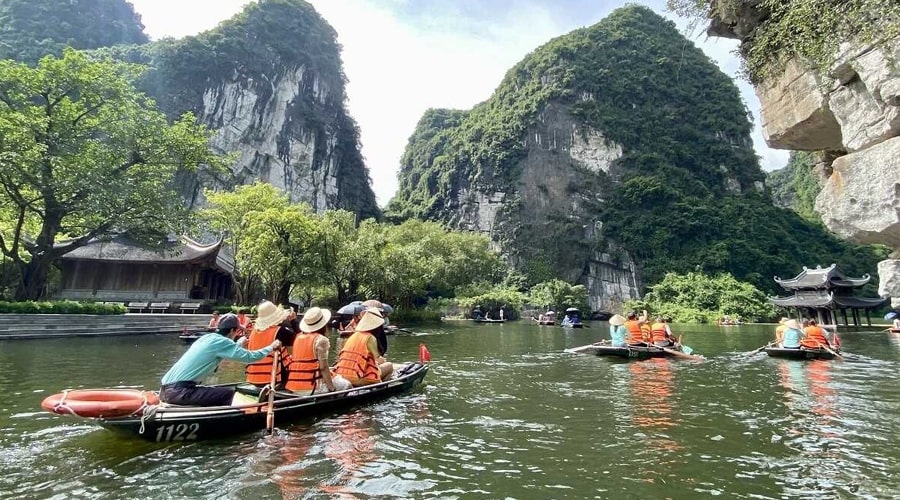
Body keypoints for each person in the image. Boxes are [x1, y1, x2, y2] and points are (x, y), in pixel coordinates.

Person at [159, 313, 281, 406]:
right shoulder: (223, 342)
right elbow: (250, 357)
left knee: (216, 391)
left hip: (164, 390)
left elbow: (224, 350)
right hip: (180, 392)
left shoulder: (207, 338)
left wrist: (239, 342)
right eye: (237, 330)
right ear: (233, 330)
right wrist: (271, 347)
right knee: (228, 393)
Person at [285, 307, 352, 395]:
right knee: (347, 385)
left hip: (293, 386)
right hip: (312, 387)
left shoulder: (298, 337)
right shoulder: (321, 340)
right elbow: (323, 368)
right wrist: (332, 389)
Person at [335, 307, 393, 386]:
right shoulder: (370, 338)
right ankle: (381, 388)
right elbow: (378, 359)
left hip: (342, 376)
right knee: (389, 366)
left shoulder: (354, 335)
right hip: (359, 378)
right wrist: (383, 361)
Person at [245, 301, 291, 388]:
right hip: (273, 379)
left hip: (253, 378)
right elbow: (297, 340)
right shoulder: (281, 331)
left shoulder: (254, 331)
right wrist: (292, 321)